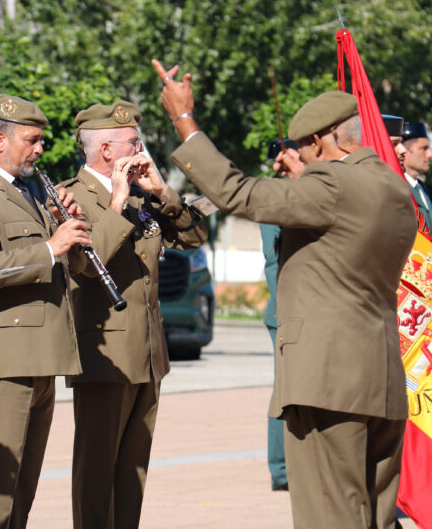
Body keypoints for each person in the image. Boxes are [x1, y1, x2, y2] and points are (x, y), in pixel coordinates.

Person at [153, 59, 417, 529]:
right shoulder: (393, 186)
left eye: (302, 148)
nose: (295, 157)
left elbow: (240, 194)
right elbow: (339, 247)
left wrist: (183, 120)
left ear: (321, 140)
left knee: (329, 516)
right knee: (376, 517)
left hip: (328, 381)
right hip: (380, 378)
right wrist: (305, 184)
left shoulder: (332, 184)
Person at [61, 101, 207, 529]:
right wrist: (116, 204)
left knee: (133, 472)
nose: (141, 149)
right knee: (96, 470)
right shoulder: (71, 195)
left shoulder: (145, 193)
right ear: (107, 149)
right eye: (133, 142)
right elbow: (88, 264)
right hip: (105, 353)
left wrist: (163, 193)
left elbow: (194, 236)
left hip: (147, 351)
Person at [0, 94, 91, 529]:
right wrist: (52, 245)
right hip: (1, 362)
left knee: (22, 490)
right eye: (32, 140)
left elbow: (69, 267)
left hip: (39, 356)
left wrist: (73, 231)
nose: (40, 149)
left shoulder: (28, 194)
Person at [261, 137, 300, 493]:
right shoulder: (276, 196)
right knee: (284, 390)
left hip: (305, 311)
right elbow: (274, 262)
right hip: (285, 312)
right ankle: (281, 469)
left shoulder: (305, 194)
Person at [401, 122, 432, 235]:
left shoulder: (421, 188)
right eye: (424, 148)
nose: (430, 154)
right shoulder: (399, 188)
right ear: (405, 152)